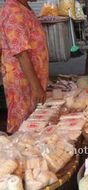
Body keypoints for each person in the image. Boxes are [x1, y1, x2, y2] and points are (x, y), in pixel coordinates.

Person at [0, 0, 49, 133]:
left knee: (35, 123)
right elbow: (21, 53)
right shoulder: (12, 9)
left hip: (32, 79)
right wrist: (36, 86)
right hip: (23, 81)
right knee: (24, 127)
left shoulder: (24, 7)